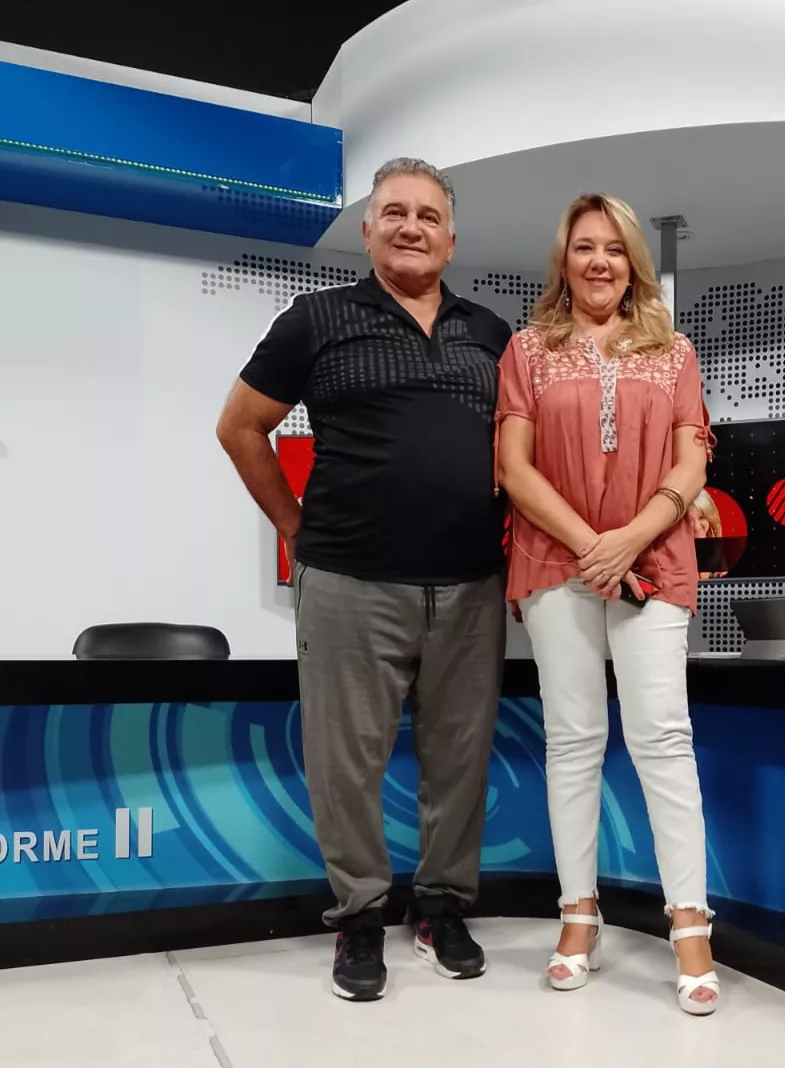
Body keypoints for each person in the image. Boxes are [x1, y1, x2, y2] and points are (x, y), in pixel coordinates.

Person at [216, 157, 511, 1001]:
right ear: (368, 229)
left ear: (451, 238)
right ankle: (358, 918)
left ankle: (442, 908)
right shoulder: (316, 321)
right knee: (346, 762)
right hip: (349, 580)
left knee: (460, 759)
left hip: (471, 584)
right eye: (395, 212)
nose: (412, 226)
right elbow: (240, 427)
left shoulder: (493, 334)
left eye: (428, 215)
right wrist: (293, 527)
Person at [495, 192, 720, 1016]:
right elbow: (514, 468)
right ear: (564, 259)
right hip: (555, 560)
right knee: (573, 738)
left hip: (652, 557)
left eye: (614, 248)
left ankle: (689, 923)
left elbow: (692, 461)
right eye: (585, 246)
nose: (599, 261)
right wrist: (593, 545)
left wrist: (631, 538)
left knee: (662, 736)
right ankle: (577, 915)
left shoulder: (674, 351)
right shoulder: (527, 349)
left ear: (633, 264)